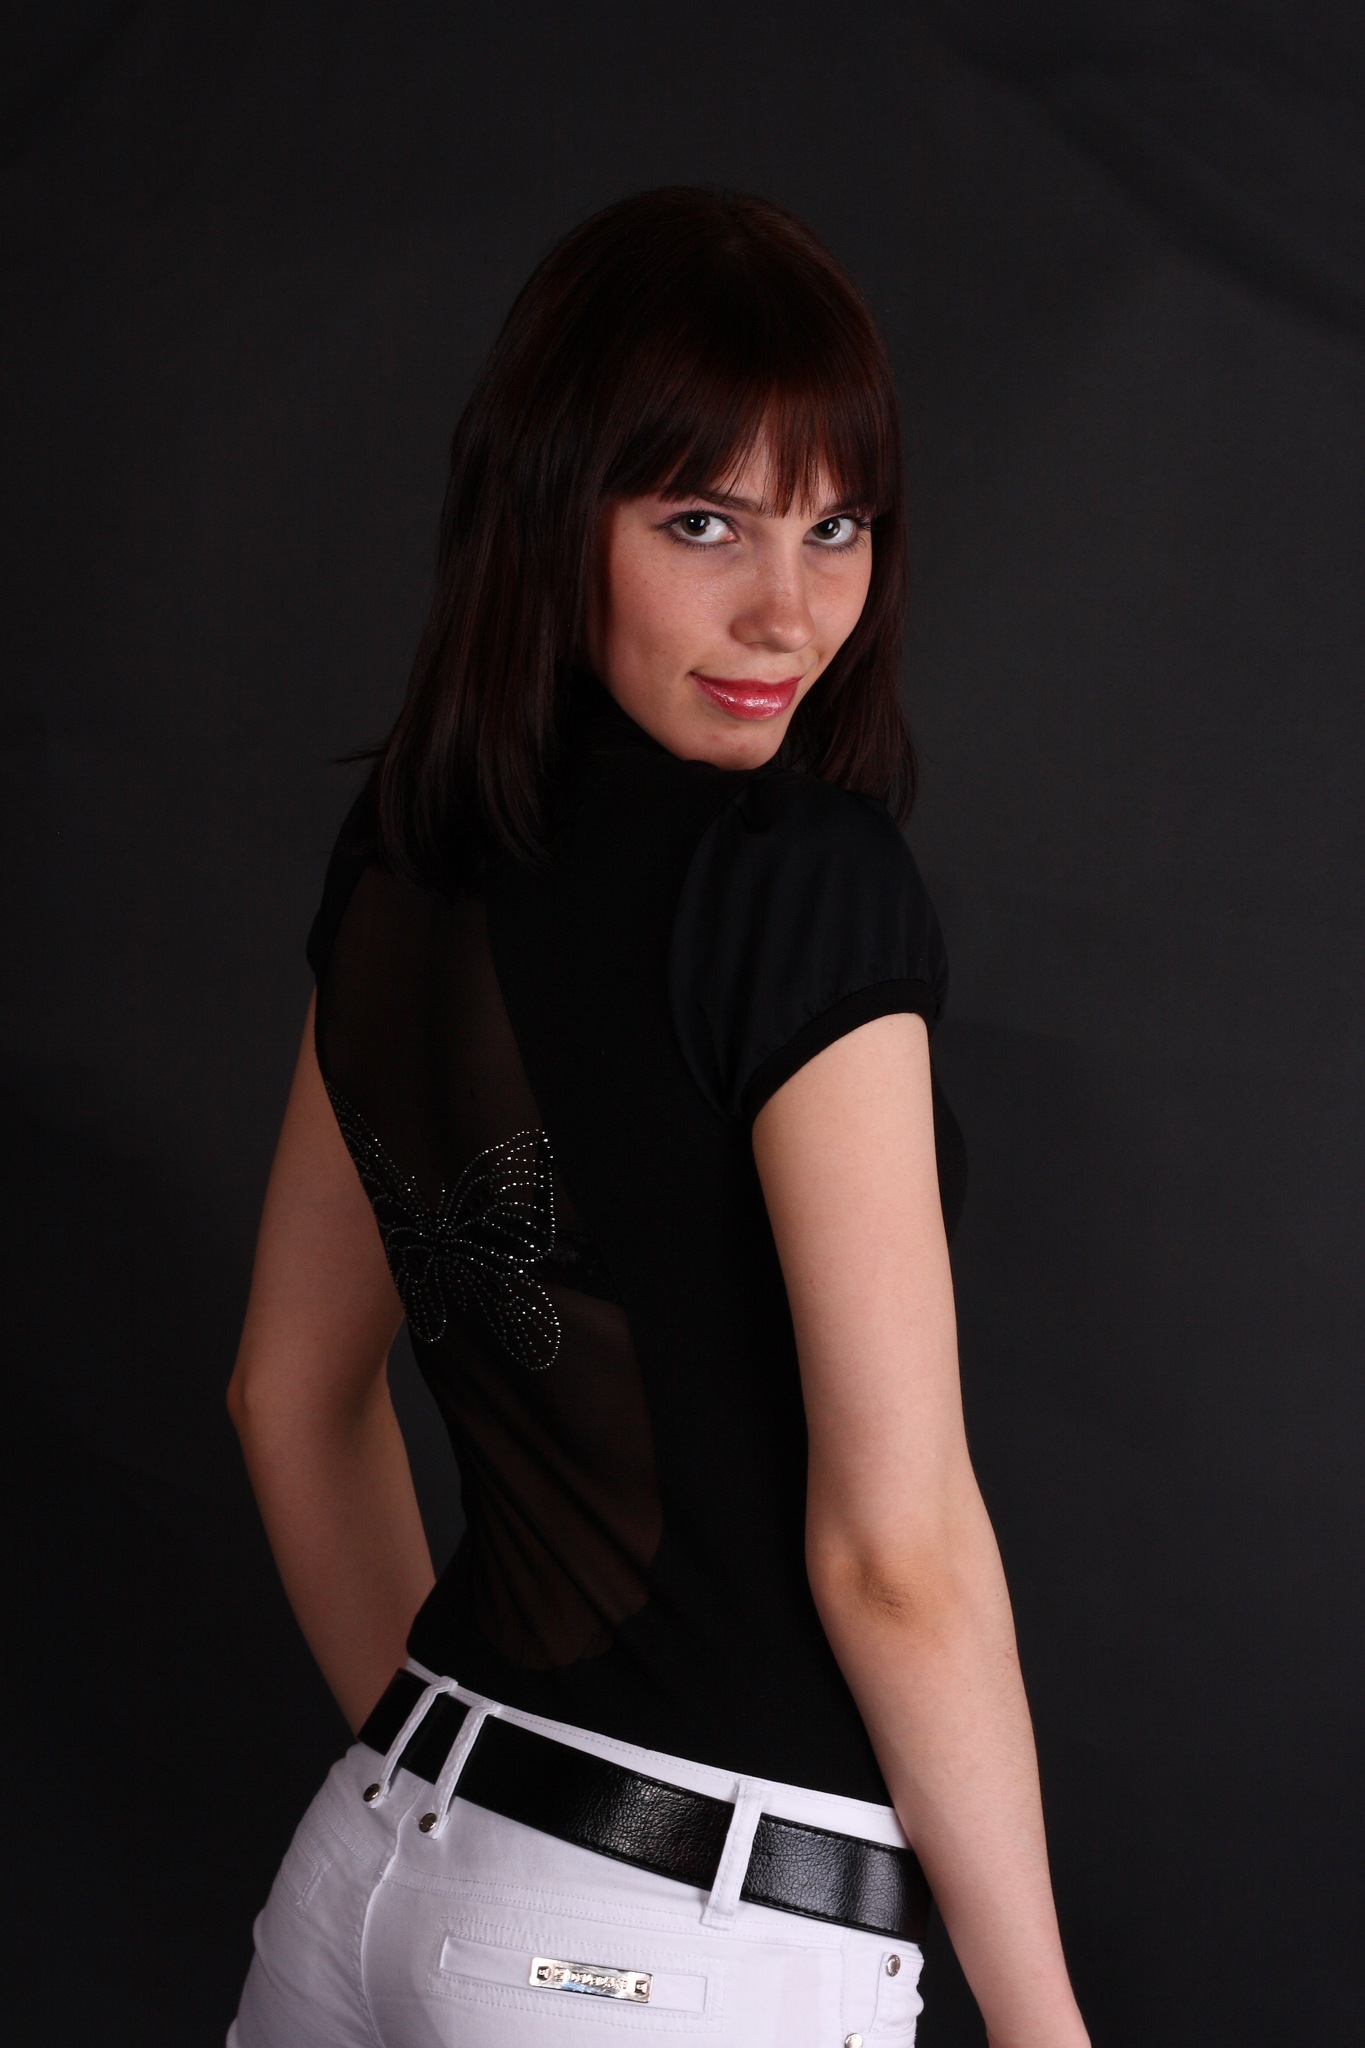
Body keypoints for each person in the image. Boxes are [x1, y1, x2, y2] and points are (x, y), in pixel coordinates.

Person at [227, 186, 1089, 2048]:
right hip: (666, 1950)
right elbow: (896, 1555)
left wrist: (463, 1809)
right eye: (701, 521)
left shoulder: (404, 856)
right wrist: (1042, 2025)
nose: (788, 609)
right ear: (554, 519)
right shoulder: (796, 883)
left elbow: (284, 1393)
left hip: (373, 1856)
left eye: (834, 525)